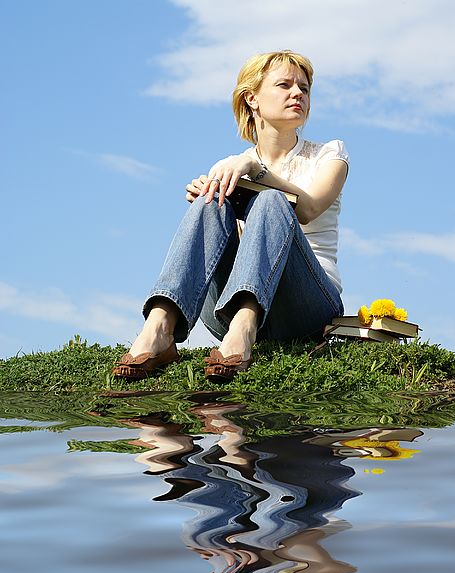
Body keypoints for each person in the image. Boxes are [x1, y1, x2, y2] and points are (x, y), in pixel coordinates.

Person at [113, 50, 349, 382]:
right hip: (227, 306)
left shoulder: (330, 154)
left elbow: (308, 210)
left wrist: (259, 173)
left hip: (308, 306)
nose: (298, 94)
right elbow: (244, 250)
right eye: (284, 85)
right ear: (252, 98)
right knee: (212, 199)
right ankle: (160, 326)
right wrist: (208, 203)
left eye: (305, 88)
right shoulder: (231, 166)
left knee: (271, 202)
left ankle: (244, 328)